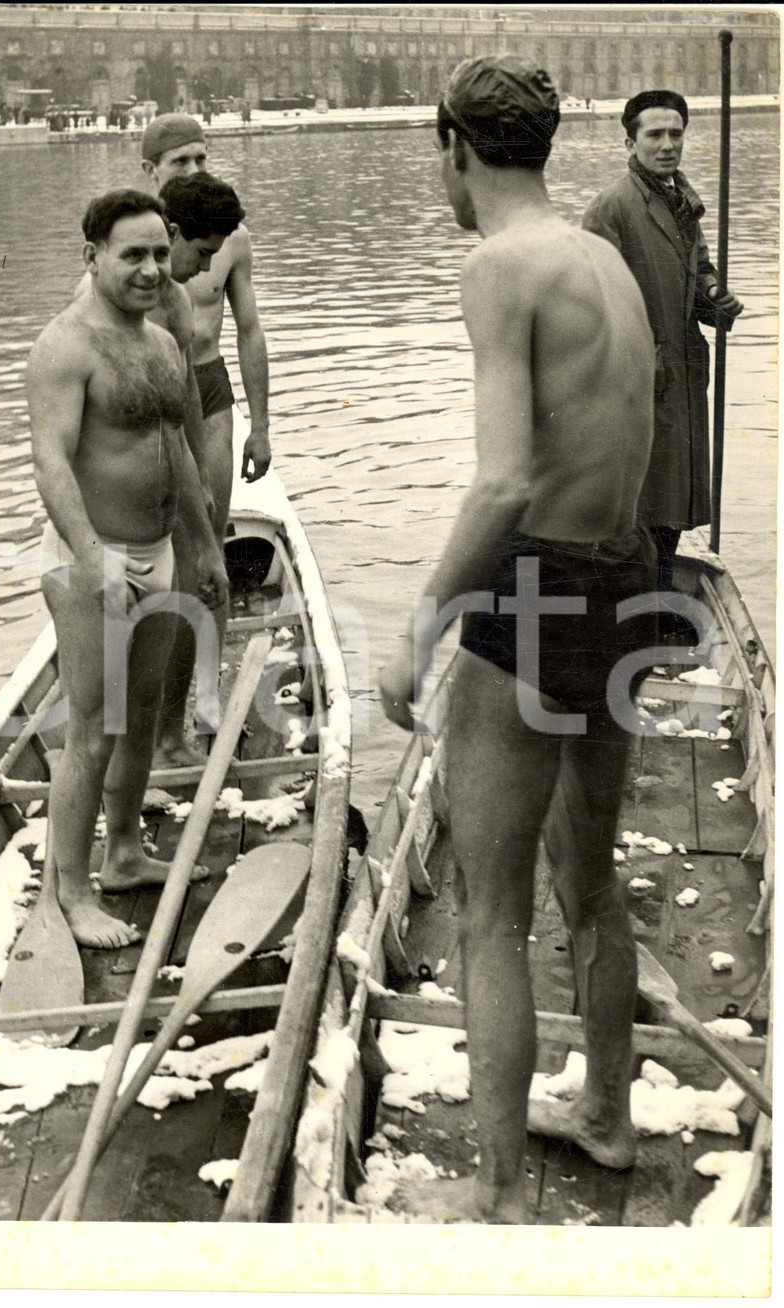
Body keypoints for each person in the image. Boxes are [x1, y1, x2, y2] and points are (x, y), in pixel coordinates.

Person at [378, 55, 659, 1224]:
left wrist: (420, 625)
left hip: (538, 583)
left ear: (453, 146)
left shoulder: (499, 264)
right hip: (626, 575)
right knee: (589, 885)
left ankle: (495, 1194)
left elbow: (500, 484)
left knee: (492, 911)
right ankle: (605, 1115)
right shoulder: (602, 254)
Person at [28, 189, 228, 948]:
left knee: (140, 716)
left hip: (160, 550)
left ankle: (121, 856)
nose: (150, 270)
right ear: (93, 258)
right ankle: (71, 892)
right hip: (92, 556)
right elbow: (51, 463)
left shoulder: (161, 343)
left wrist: (205, 545)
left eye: (157, 253)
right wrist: (90, 559)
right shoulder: (65, 346)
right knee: (93, 730)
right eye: (131, 255)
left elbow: (173, 449)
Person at [140, 113, 272, 754]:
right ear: (151, 173)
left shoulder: (230, 235)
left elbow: (248, 329)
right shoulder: (129, 241)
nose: (194, 171)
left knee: (208, 538)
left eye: (201, 158)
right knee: (162, 550)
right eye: (179, 163)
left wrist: (263, 424)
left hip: (209, 389)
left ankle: (208, 695)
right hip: (152, 405)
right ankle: (154, 707)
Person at [583, 90, 743, 601]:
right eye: (655, 134)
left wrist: (714, 295)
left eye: (676, 133)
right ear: (629, 141)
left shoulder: (684, 201)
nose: (668, 144)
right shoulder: (612, 208)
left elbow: (697, 273)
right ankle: (631, 613)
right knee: (636, 505)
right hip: (636, 380)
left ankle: (654, 607)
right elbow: (589, 306)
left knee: (672, 504)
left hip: (682, 369)